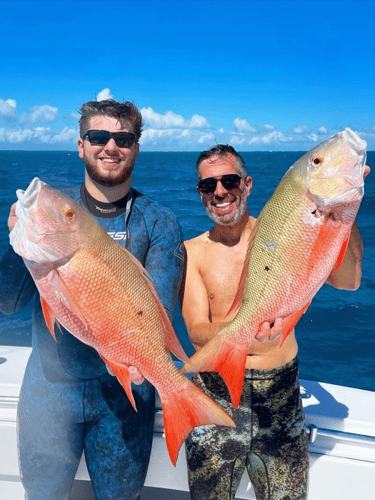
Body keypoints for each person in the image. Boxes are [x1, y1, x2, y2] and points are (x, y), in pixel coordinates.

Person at [0, 99, 184, 500]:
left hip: (125, 401)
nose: (110, 146)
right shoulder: (54, 214)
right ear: (81, 145)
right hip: (49, 392)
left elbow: (158, 310)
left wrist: (144, 362)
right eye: (98, 137)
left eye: (123, 138)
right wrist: (16, 243)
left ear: (136, 147)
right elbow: (8, 303)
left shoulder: (160, 221)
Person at [180, 144, 366, 500]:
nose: (220, 191)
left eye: (229, 180)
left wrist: (343, 209)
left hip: (279, 398)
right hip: (216, 400)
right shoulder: (192, 252)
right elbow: (197, 330)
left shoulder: (287, 228)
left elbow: (349, 281)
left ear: (247, 184)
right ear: (201, 194)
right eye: (208, 185)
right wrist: (243, 331)